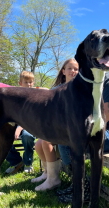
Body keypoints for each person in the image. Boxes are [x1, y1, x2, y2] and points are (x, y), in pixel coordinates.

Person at [56, 70, 109, 203]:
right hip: (102, 131)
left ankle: (82, 191)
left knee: (69, 143)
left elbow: (107, 115)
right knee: (65, 139)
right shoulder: (94, 82)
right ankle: (78, 186)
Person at [30, 59, 79, 191]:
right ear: (63, 71)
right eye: (70, 68)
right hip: (58, 127)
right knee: (38, 143)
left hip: (72, 129)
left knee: (46, 142)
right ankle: (47, 173)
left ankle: (53, 179)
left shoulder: (80, 89)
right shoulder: (57, 89)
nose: (73, 71)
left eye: (76, 69)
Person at [4, 71, 36, 174]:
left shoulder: (35, 97)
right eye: (26, 82)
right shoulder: (15, 97)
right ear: (20, 83)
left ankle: (28, 162)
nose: (29, 84)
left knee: (27, 136)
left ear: (33, 83)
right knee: (1, 136)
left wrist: (19, 128)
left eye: (31, 82)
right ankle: (16, 162)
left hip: (29, 125)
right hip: (14, 124)